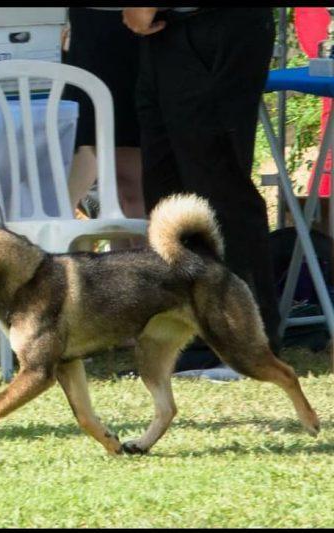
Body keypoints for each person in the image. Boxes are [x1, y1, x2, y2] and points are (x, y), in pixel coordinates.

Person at [123, 7, 281, 356]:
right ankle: (191, 343)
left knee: (218, 187)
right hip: (164, 33)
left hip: (216, 28)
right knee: (168, 195)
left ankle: (248, 343)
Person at [63, 7, 145, 221]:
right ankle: (124, 252)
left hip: (130, 32)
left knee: (131, 181)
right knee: (115, 186)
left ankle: (143, 252)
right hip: (90, 33)